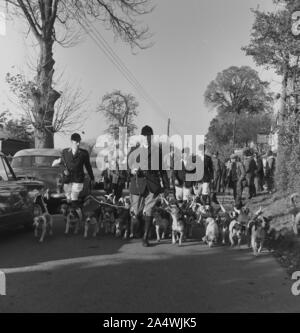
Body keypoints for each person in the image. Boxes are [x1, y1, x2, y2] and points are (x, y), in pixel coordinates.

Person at [128, 125, 170, 247]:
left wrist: (166, 187)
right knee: (136, 211)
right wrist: (131, 170)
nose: (147, 138)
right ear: (141, 137)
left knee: (149, 210)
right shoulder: (134, 150)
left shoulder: (158, 150)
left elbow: (162, 170)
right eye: (144, 136)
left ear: (151, 137)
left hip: (152, 182)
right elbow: (127, 167)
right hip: (138, 182)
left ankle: (145, 237)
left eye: (149, 136)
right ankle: (142, 230)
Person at [52, 133, 95, 213]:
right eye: (76, 142)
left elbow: (88, 166)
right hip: (67, 179)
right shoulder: (65, 152)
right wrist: (64, 170)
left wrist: (92, 178)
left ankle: (75, 215)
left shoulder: (84, 153)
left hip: (78, 179)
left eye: (79, 141)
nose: (78, 144)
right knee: (68, 199)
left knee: (74, 197)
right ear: (71, 141)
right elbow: (61, 163)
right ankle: (77, 212)